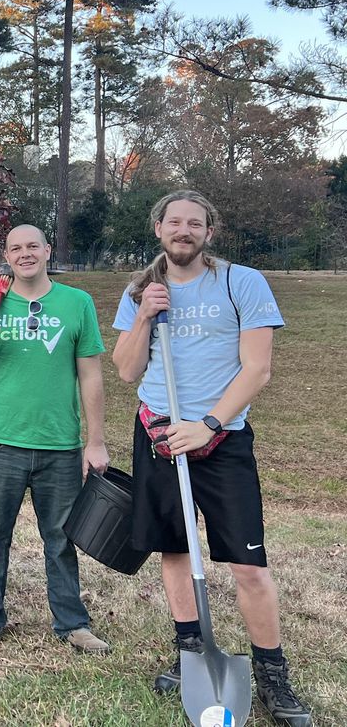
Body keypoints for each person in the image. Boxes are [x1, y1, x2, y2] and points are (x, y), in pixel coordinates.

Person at [112, 190, 310, 726]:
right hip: (159, 433)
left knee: (248, 564)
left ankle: (272, 673)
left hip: (222, 440)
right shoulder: (139, 288)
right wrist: (145, 318)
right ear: (158, 228)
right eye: (173, 221)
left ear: (208, 231)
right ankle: (191, 653)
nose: (183, 230)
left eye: (194, 223)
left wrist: (209, 425)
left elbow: (257, 369)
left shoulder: (241, 281)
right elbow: (126, 371)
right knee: (174, 550)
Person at [0, 224, 111, 655]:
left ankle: (72, 623)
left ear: (46, 250)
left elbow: (91, 376)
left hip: (60, 445)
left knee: (61, 538)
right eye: (16, 248)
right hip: (0, 442)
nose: (25, 254)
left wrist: (95, 442)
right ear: (7, 255)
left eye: (32, 246)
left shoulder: (77, 303)